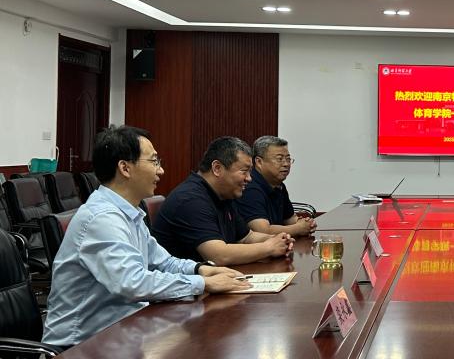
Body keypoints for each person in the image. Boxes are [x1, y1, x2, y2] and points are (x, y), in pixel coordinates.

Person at [42, 126, 251, 347]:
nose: (161, 171)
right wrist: (202, 283)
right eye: (154, 161)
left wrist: (200, 269)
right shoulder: (102, 219)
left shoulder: (129, 213)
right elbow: (132, 283)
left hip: (122, 332)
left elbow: (163, 262)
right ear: (125, 168)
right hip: (80, 346)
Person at [153, 136, 293, 265]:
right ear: (217, 168)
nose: (249, 178)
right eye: (244, 171)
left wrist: (278, 240)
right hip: (187, 282)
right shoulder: (190, 199)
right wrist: (269, 248)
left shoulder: (224, 195)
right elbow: (218, 256)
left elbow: (246, 237)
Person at [237, 135, 317, 237]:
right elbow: (262, 230)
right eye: (280, 159)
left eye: (288, 159)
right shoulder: (249, 187)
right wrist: (298, 228)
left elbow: (289, 218)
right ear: (259, 162)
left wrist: (306, 223)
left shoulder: (278, 184)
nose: (286, 164)